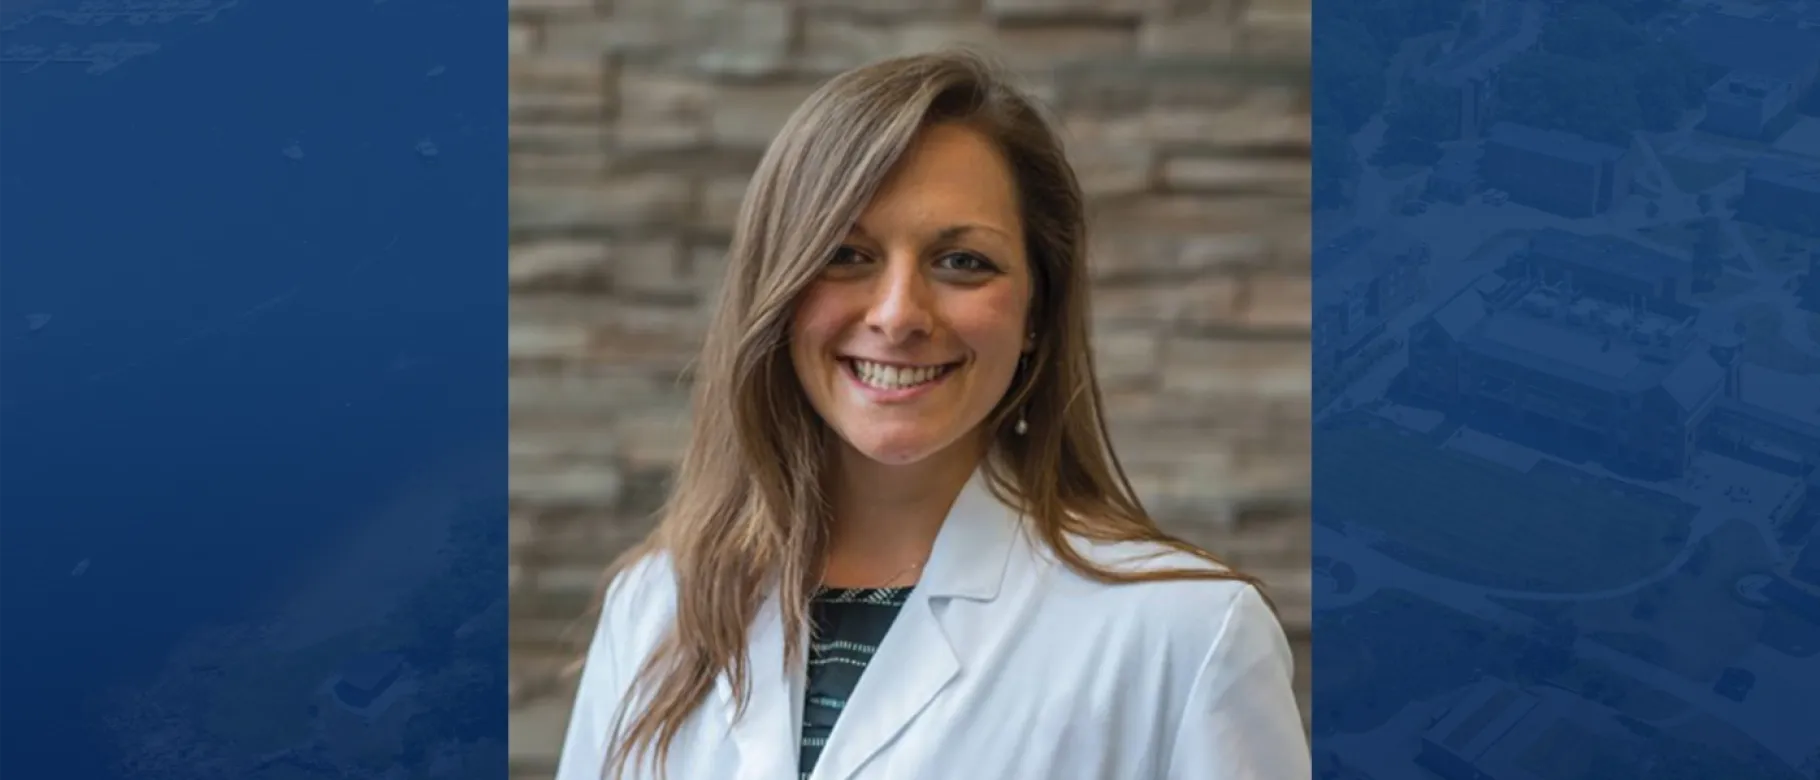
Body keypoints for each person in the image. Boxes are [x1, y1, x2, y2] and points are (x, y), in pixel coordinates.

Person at [554, 49, 1309, 780]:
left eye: (963, 262)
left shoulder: (1189, 633)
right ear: (775, 293)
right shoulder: (657, 606)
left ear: (1037, 310)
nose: (898, 314)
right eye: (846, 254)